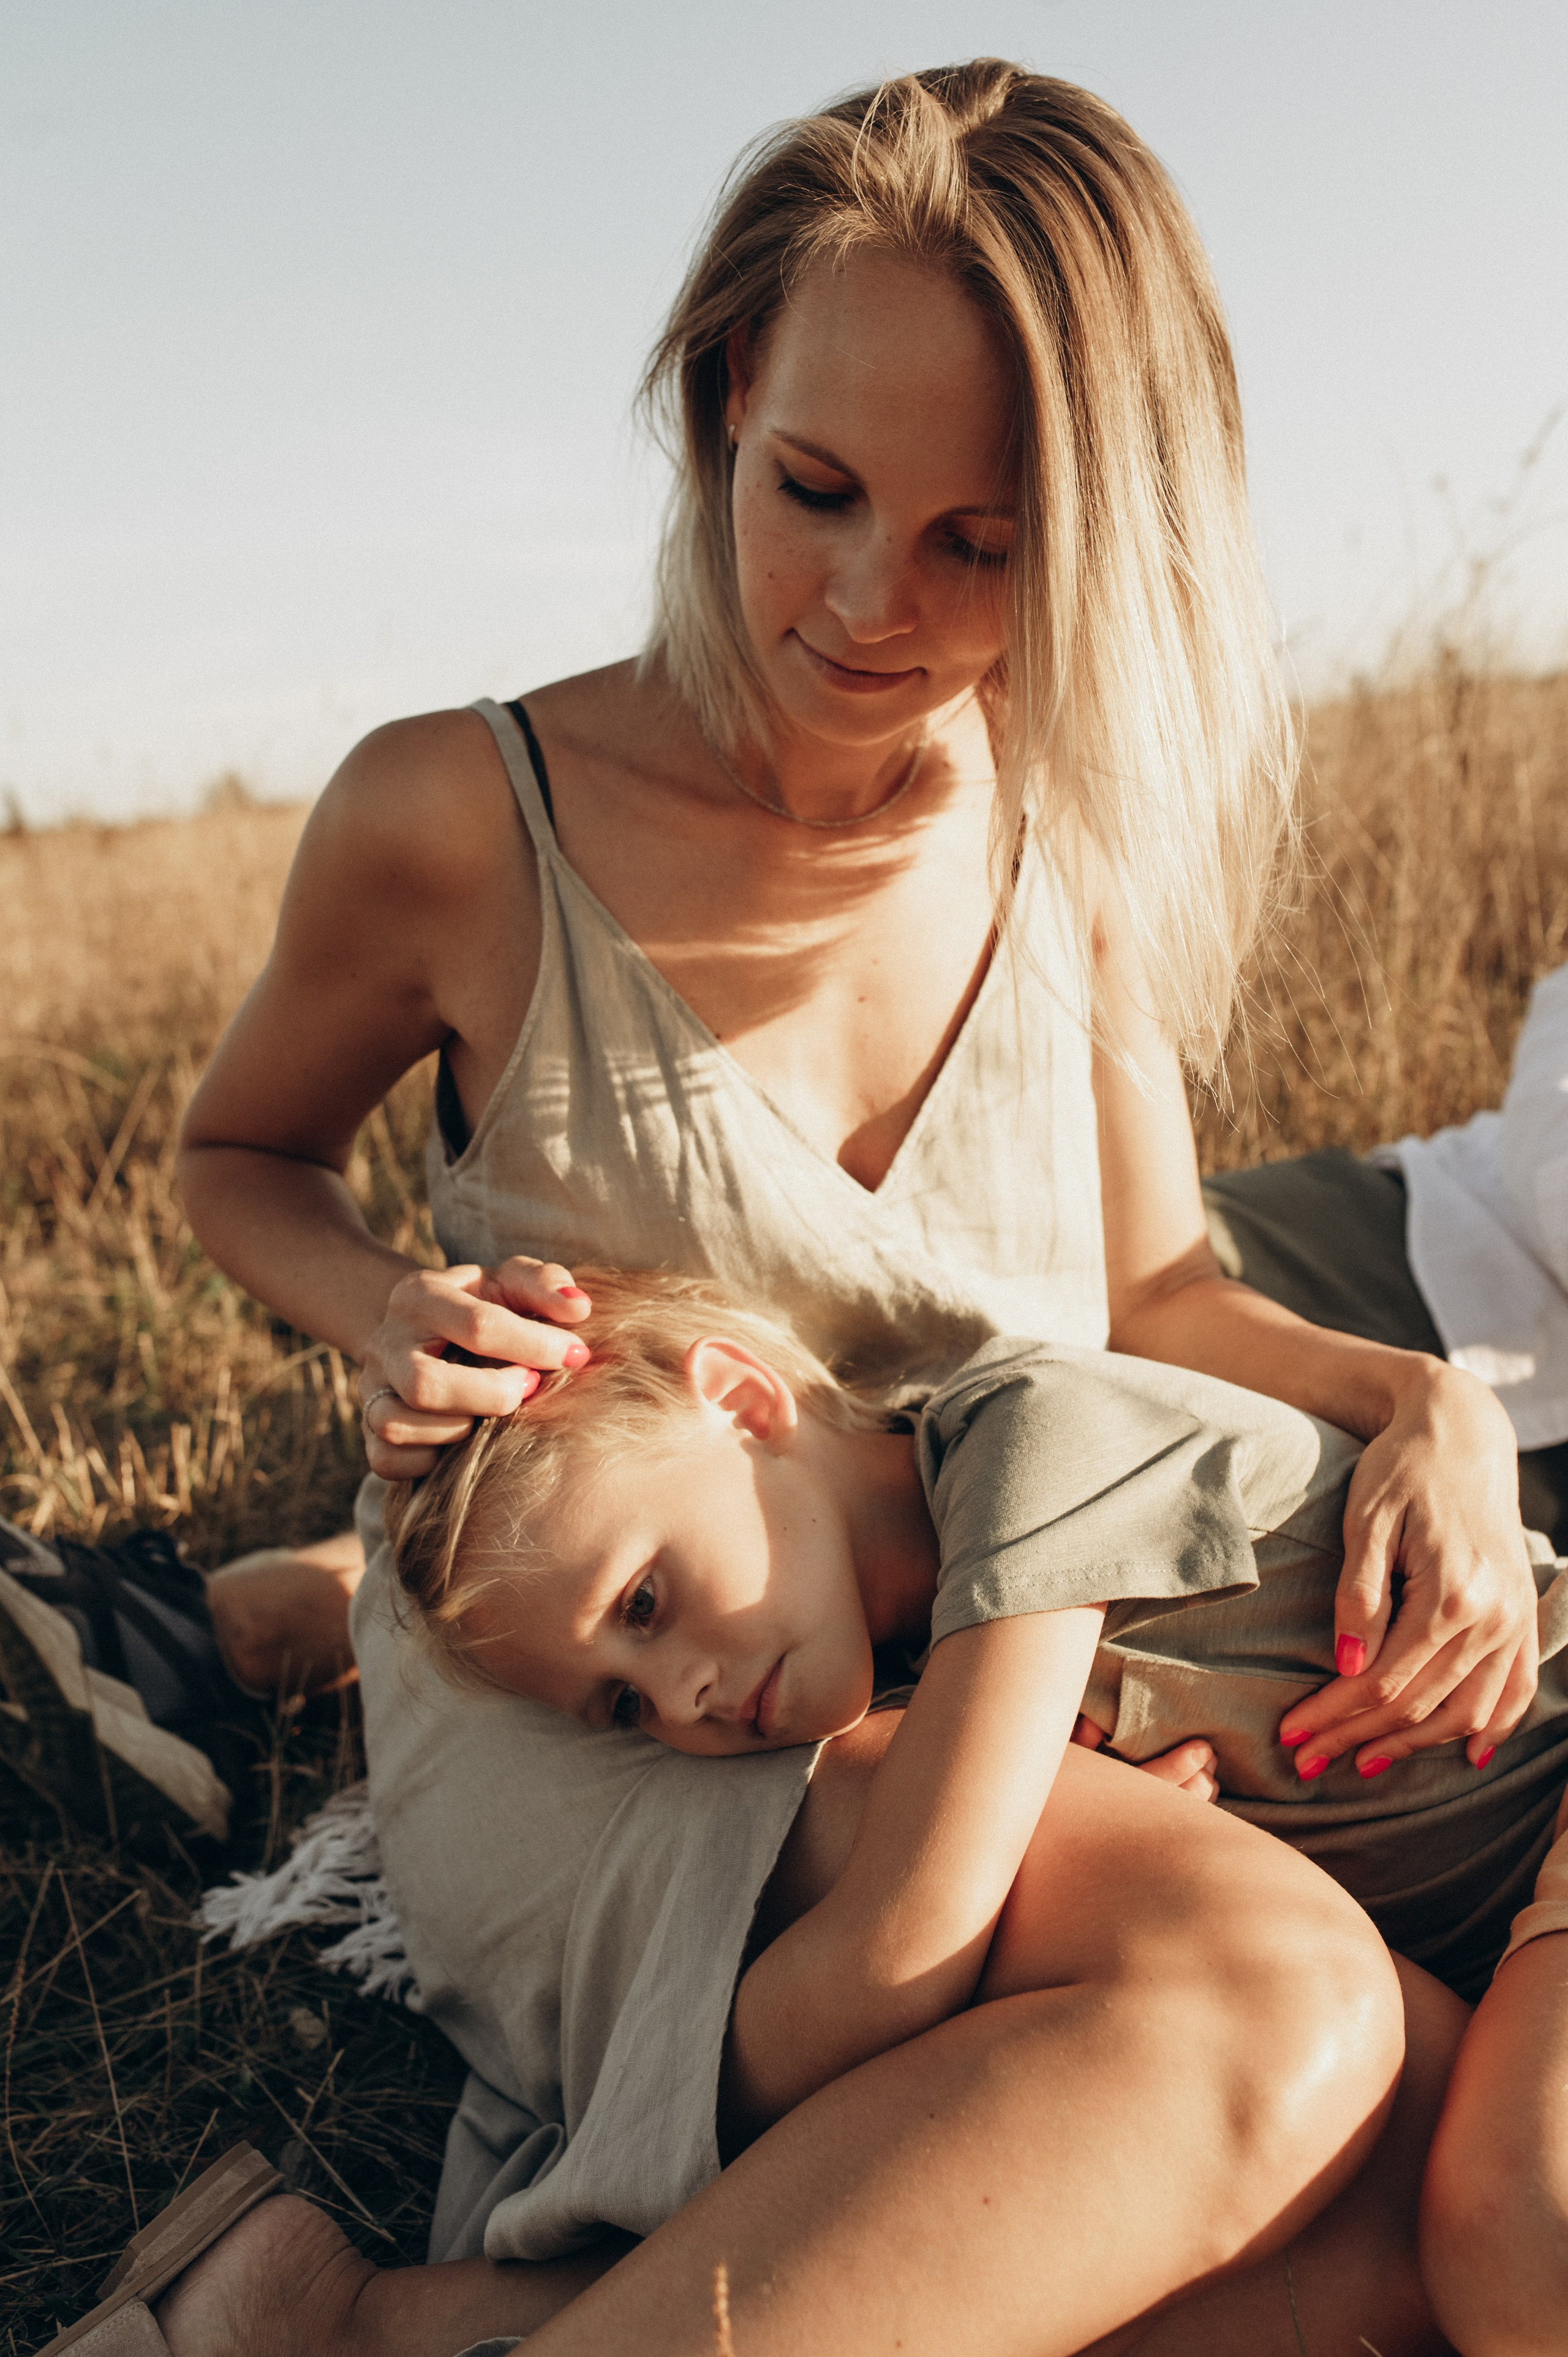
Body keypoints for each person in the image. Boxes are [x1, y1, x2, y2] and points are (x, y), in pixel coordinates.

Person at [53, 59, 1550, 2357]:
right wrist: (371, 1306)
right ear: (726, 394)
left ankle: (372, 2324)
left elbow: (1163, 1290)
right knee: (1267, 2026)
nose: (867, 604)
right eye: (818, 490)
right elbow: (232, 1160)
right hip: (600, 1697)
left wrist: (1419, 1400)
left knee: (1407, 2220)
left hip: (958, 1656)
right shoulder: (463, 812)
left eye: (981, 541)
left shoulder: (1069, 847)